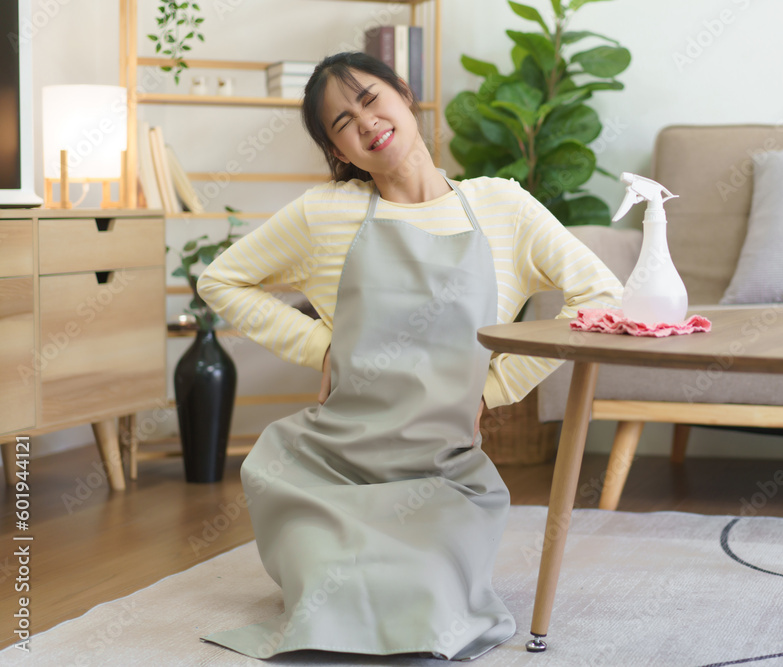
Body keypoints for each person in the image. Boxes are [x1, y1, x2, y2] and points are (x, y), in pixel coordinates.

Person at [196, 51, 622, 661]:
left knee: (426, 607)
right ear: (339, 151)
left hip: (442, 474)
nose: (365, 122)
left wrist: (495, 387)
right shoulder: (325, 213)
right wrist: (321, 345)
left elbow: (600, 296)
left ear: (403, 92)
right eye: (342, 123)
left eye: (370, 99)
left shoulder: (501, 207)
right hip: (329, 469)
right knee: (330, 603)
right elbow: (221, 281)